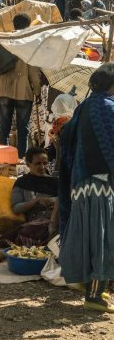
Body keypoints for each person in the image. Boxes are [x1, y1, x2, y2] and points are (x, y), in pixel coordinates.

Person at [58, 62, 114, 313]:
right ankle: (94, 296)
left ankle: (85, 283)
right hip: (101, 183)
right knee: (102, 239)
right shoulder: (107, 108)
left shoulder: (85, 106)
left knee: (86, 237)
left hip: (81, 182)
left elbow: (66, 135)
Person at [0, 14, 41, 158]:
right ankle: (21, 158)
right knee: (23, 128)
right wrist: (37, 91)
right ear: (28, 25)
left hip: (4, 89)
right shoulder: (30, 42)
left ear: (13, 24)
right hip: (23, 91)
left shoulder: (2, 42)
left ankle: (3, 157)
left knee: (4, 128)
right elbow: (33, 71)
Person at [3, 147, 59, 247]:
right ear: (28, 164)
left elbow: (65, 200)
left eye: (45, 163)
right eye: (38, 163)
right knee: (24, 233)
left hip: (55, 220)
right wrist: (36, 202)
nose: (42, 167)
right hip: (35, 224)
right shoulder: (21, 183)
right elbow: (16, 208)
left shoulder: (55, 182)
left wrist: (52, 201)